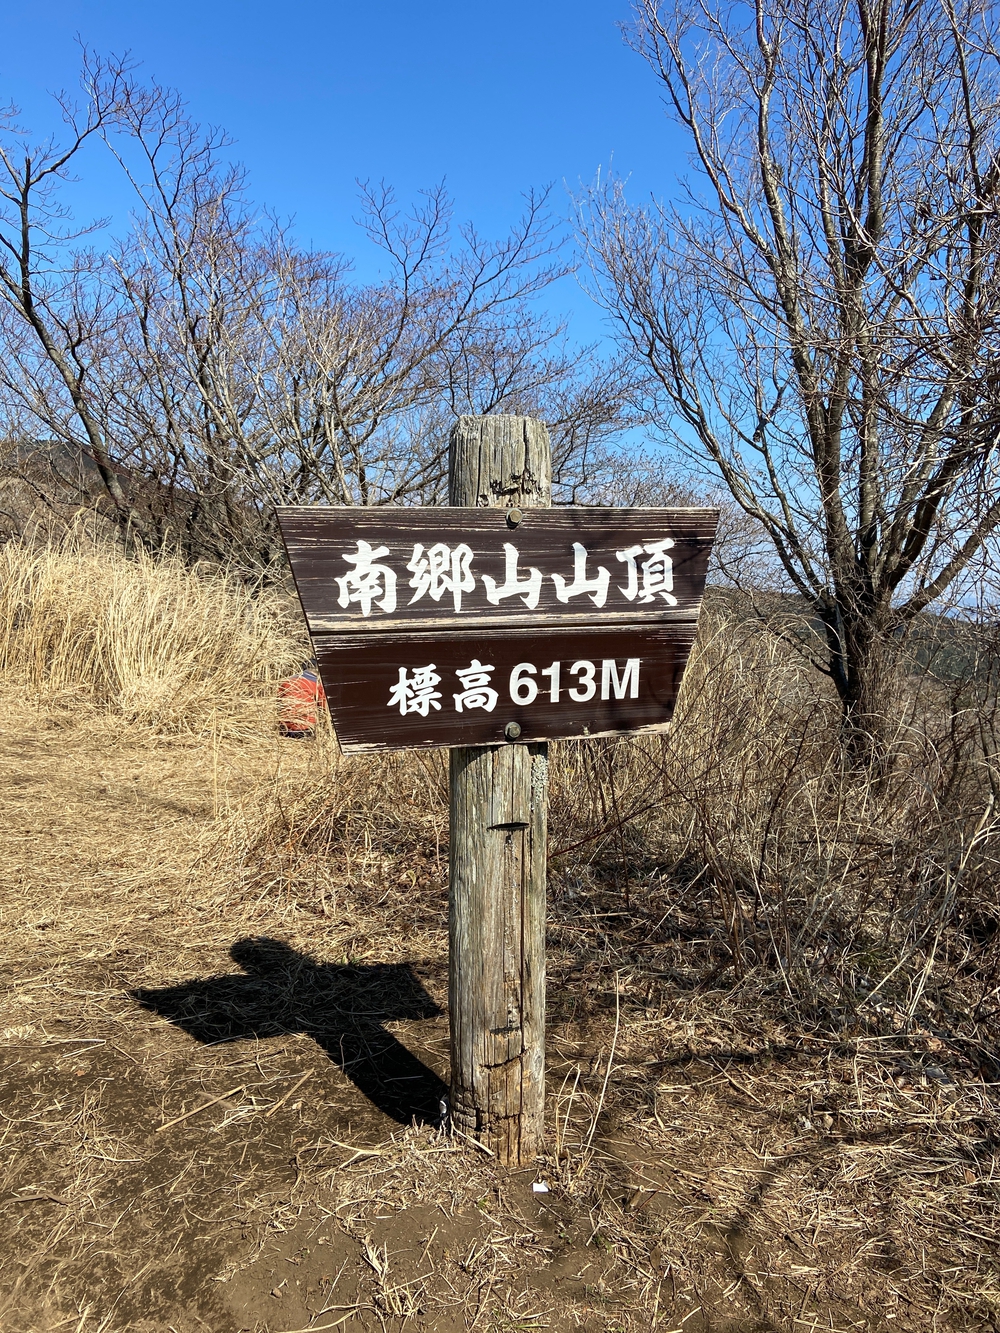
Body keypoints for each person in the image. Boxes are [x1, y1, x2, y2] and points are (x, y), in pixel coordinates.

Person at [277, 661, 327, 738]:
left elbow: (278, 701)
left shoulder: (288, 681)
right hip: (305, 726)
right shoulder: (316, 683)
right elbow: (324, 707)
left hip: (285, 726)